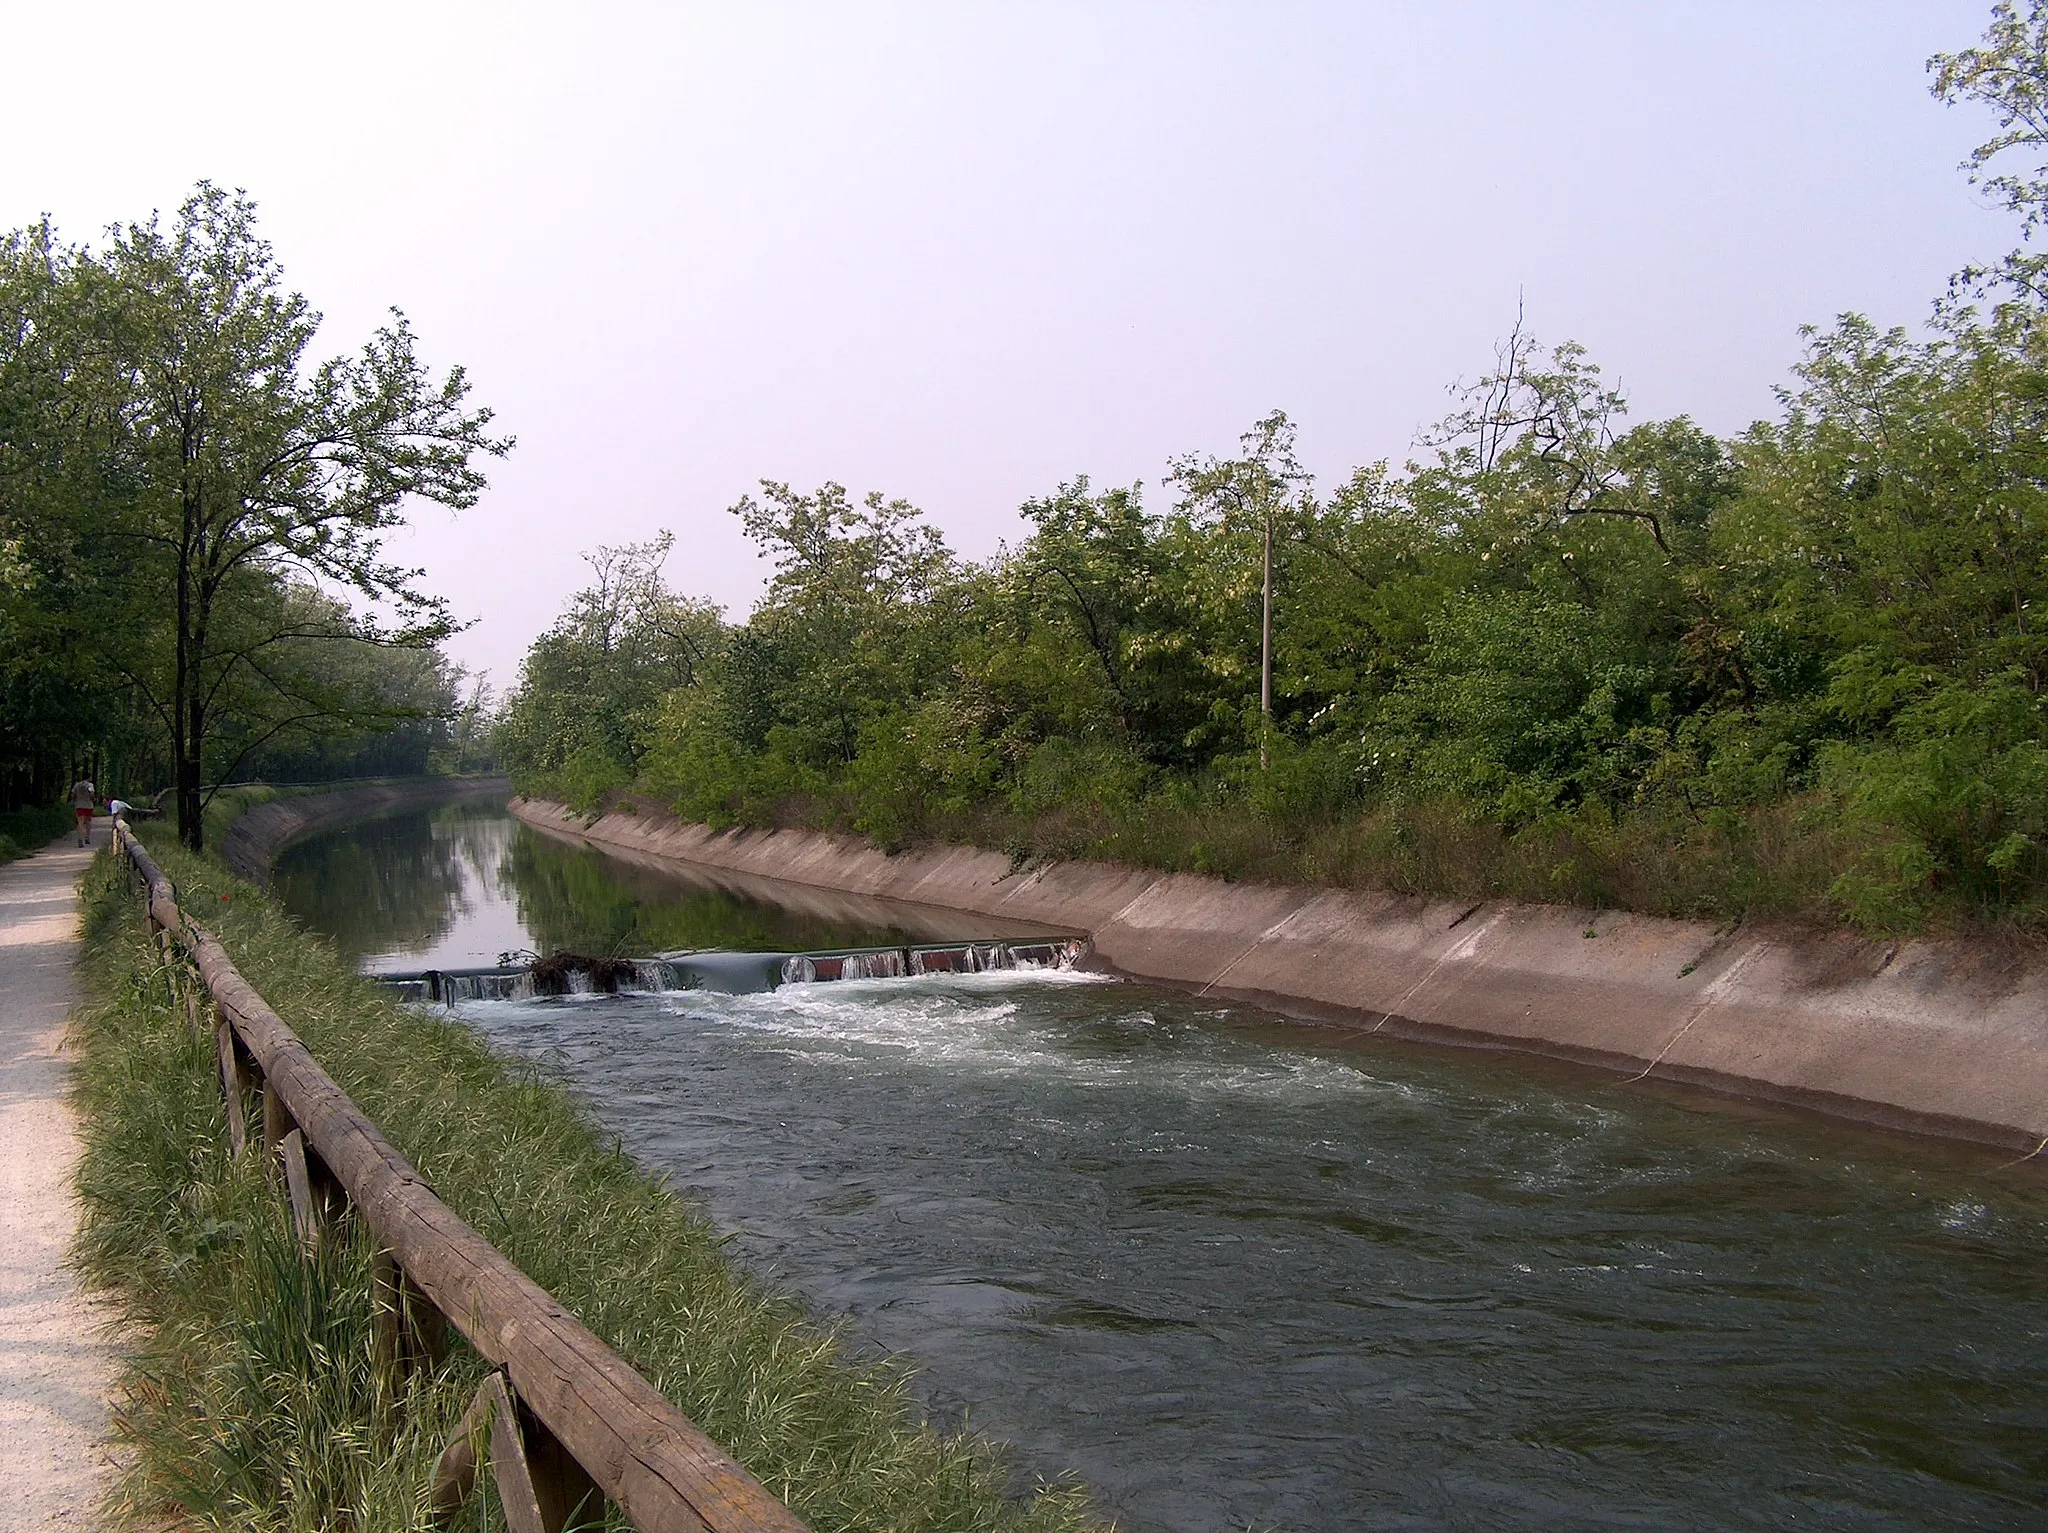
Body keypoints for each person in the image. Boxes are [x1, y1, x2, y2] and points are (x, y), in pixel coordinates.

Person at [69, 776, 96, 846]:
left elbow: (72, 795)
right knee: (88, 822)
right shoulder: (90, 785)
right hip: (88, 805)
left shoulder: (77, 785)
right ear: (89, 777)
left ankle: (80, 839)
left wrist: (75, 800)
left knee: (80, 822)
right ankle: (87, 837)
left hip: (79, 805)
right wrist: (92, 799)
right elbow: (92, 793)